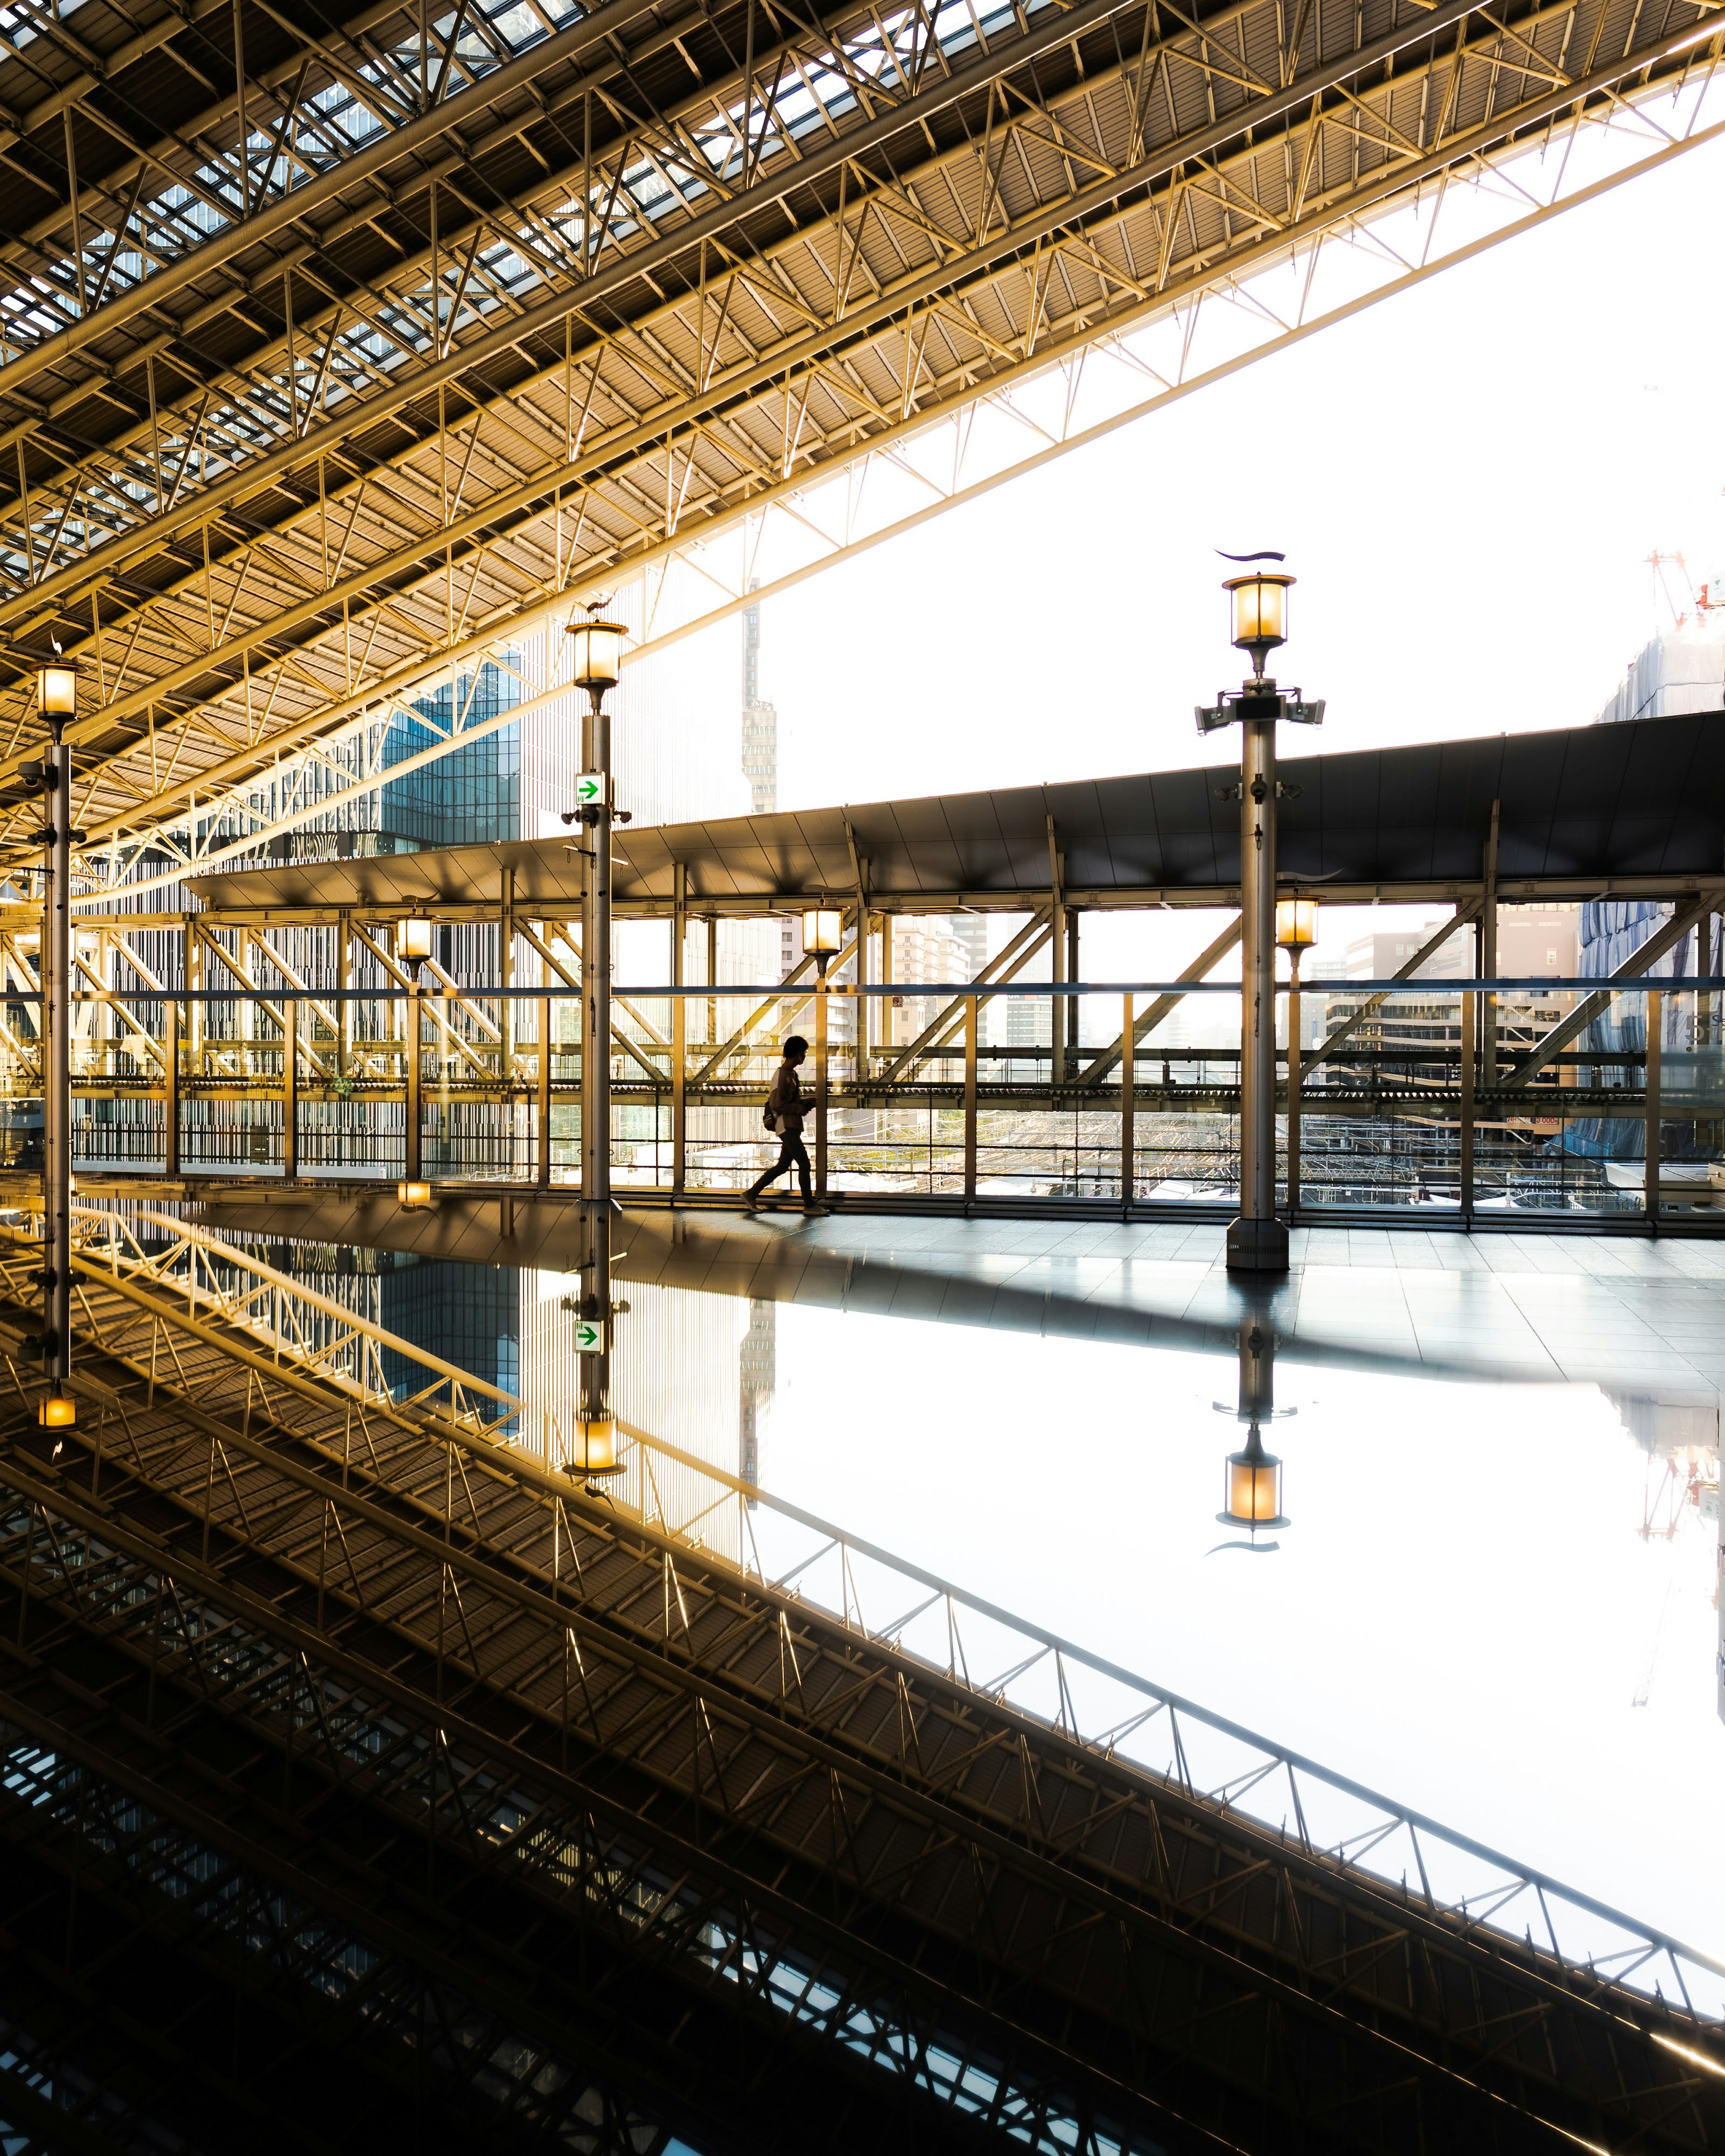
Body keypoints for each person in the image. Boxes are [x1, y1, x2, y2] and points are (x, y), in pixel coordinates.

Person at [745, 1035, 821, 1213]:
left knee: (782, 1166)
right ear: (797, 1053)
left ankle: (751, 1194)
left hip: (791, 1126)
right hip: (787, 1126)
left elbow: (786, 1101)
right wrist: (798, 1109)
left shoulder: (791, 1074)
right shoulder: (782, 1075)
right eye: (804, 1053)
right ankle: (809, 1205)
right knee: (804, 1164)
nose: (804, 1056)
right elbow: (776, 1105)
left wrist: (804, 1102)